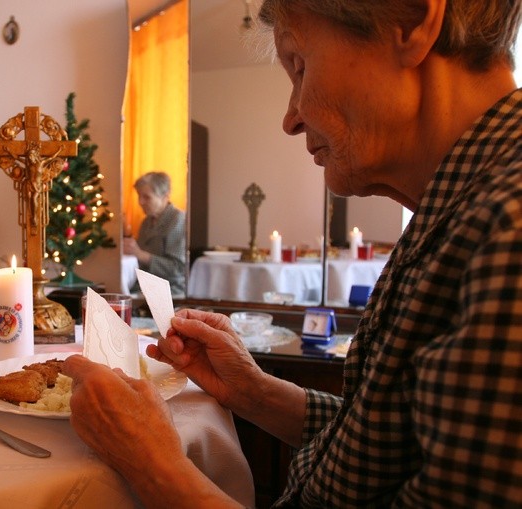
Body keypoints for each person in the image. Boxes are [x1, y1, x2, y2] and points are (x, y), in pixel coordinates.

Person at [62, 0, 522, 507]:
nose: (291, 117)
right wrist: (251, 390)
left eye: (299, 66)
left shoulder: (508, 228)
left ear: (412, 22)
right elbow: (381, 442)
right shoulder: (455, 209)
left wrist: (150, 462)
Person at [123, 172, 186, 295]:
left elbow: (178, 268)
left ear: (165, 196)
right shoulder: (146, 221)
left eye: (146, 197)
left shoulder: (178, 221)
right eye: (139, 196)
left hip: (169, 291)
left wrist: (139, 254)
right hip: (144, 287)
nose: (140, 202)